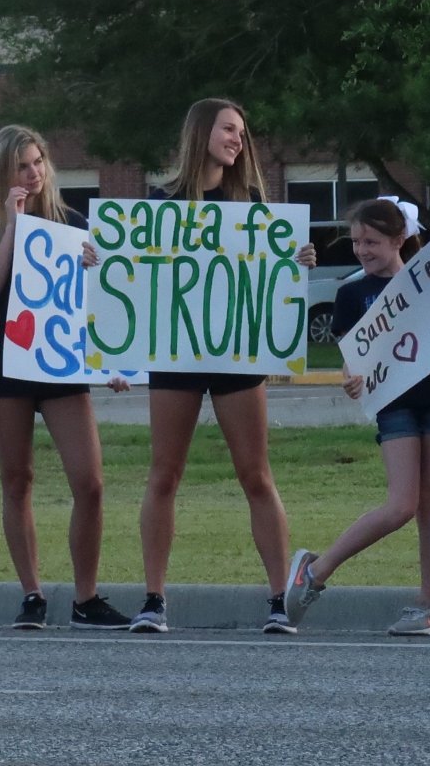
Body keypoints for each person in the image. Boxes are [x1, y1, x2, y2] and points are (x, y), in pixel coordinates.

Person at [132, 98, 316, 635]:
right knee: (164, 473)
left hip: (237, 353)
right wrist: (100, 259)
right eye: (229, 129)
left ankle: (280, 599)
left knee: (255, 474)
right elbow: (134, 273)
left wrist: (298, 262)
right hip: (175, 351)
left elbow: (271, 279)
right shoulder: (159, 203)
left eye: (243, 131)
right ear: (201, 133)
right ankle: (153, 600)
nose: (239, 139)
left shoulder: (254, 204)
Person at [283, 198, 430, 636]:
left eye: (371, 241)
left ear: (399, 239)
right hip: (393, 402)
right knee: (401, 504)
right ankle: (316, 572)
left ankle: (428, 608)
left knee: (429, 503)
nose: (361, 250)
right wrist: (350, 380)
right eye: (356, 241)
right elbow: (352, 359)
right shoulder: (352, 293)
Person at [0, 124, 121, 633]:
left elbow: (100, 300)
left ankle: (86, 596)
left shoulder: (73, 223)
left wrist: (113, 361)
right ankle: (31, 594)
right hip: (6, 362)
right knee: (17, 479)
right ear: (2, 175)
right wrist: (15, 225)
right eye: (21, 167)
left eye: (38, 163)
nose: (33, 175)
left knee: (90, 481)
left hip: (60, 362)